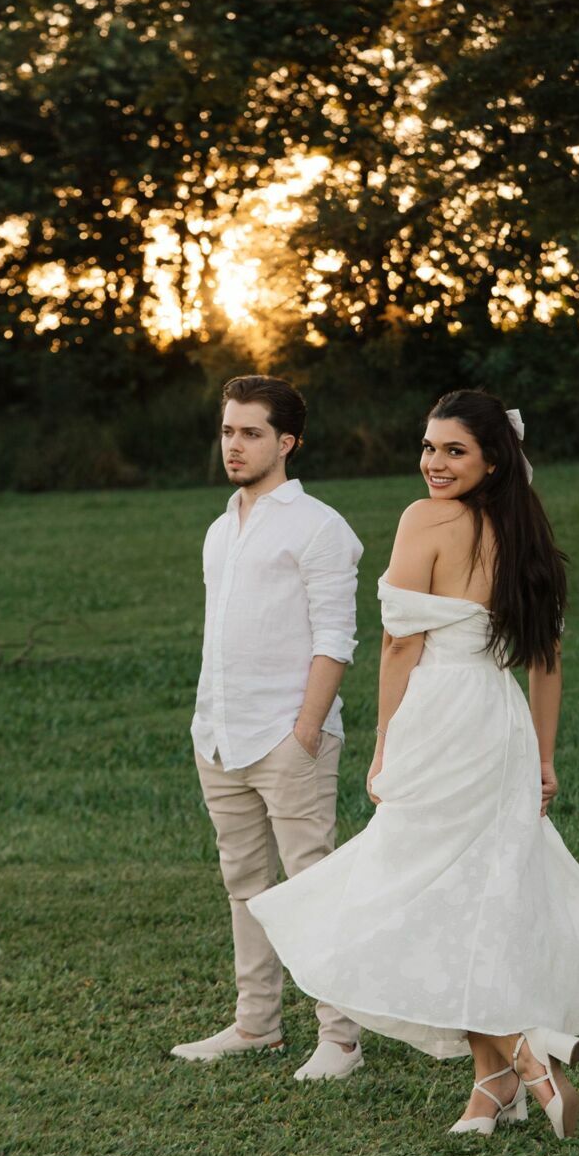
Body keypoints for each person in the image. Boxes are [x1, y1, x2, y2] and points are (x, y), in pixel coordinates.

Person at [249, 388, 579, 1138]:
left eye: (453, 451)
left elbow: (399, 645)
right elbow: (545, 664)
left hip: (440, 718)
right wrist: (542, 758)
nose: (433, 464)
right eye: (429, 447)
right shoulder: (527, 536)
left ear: (491, 458)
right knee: (481, 896)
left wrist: (382, 744)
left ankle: (526, 1058)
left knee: (418, 893)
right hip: (500, 723)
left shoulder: (423, 521)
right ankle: (492, 1085)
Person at [171, 374, 365, 1082]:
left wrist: (306, 731)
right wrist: (205, 724)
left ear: (286, 442)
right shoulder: (221, 528)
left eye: (251, 433)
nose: (235, 445)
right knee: (245, 884)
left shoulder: (319, 527)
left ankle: (339, 1040)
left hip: (290, 740)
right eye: (227, 430)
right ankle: (256, 1024)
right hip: (219, 736)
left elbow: (336, 638)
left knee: (309, 887)